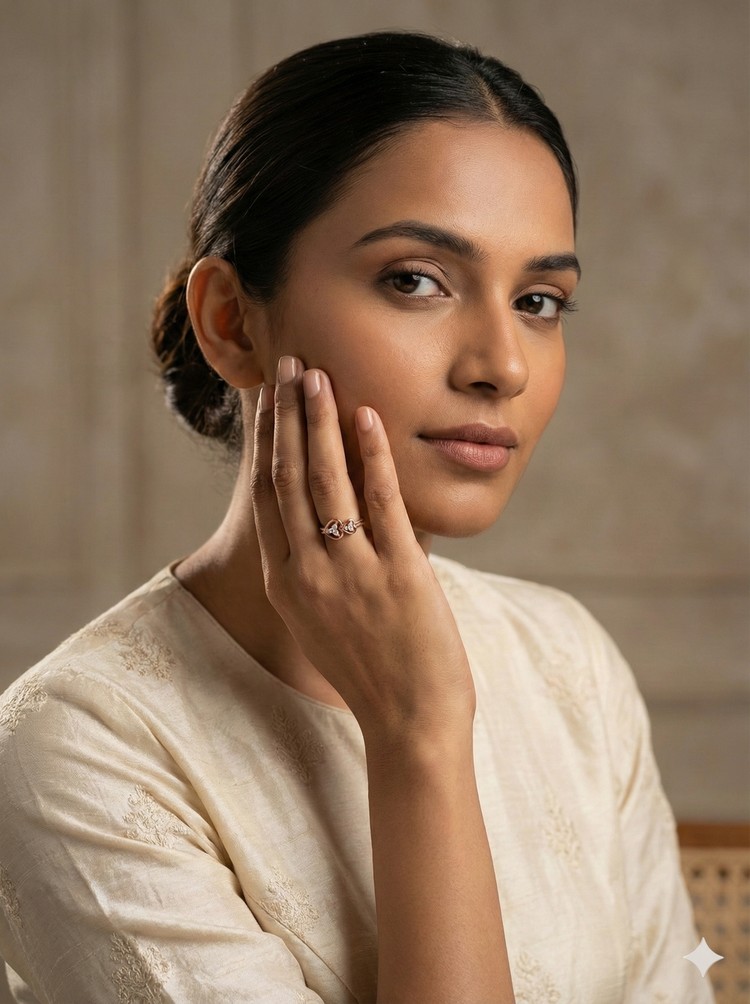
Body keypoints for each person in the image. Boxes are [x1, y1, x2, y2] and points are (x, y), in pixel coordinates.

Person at [0, 30, 713, 1004]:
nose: (501, 362)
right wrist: (418, 730)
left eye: (541, 299)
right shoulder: (75, 748)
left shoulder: (568, 658)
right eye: (416, 279)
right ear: (231, 321)